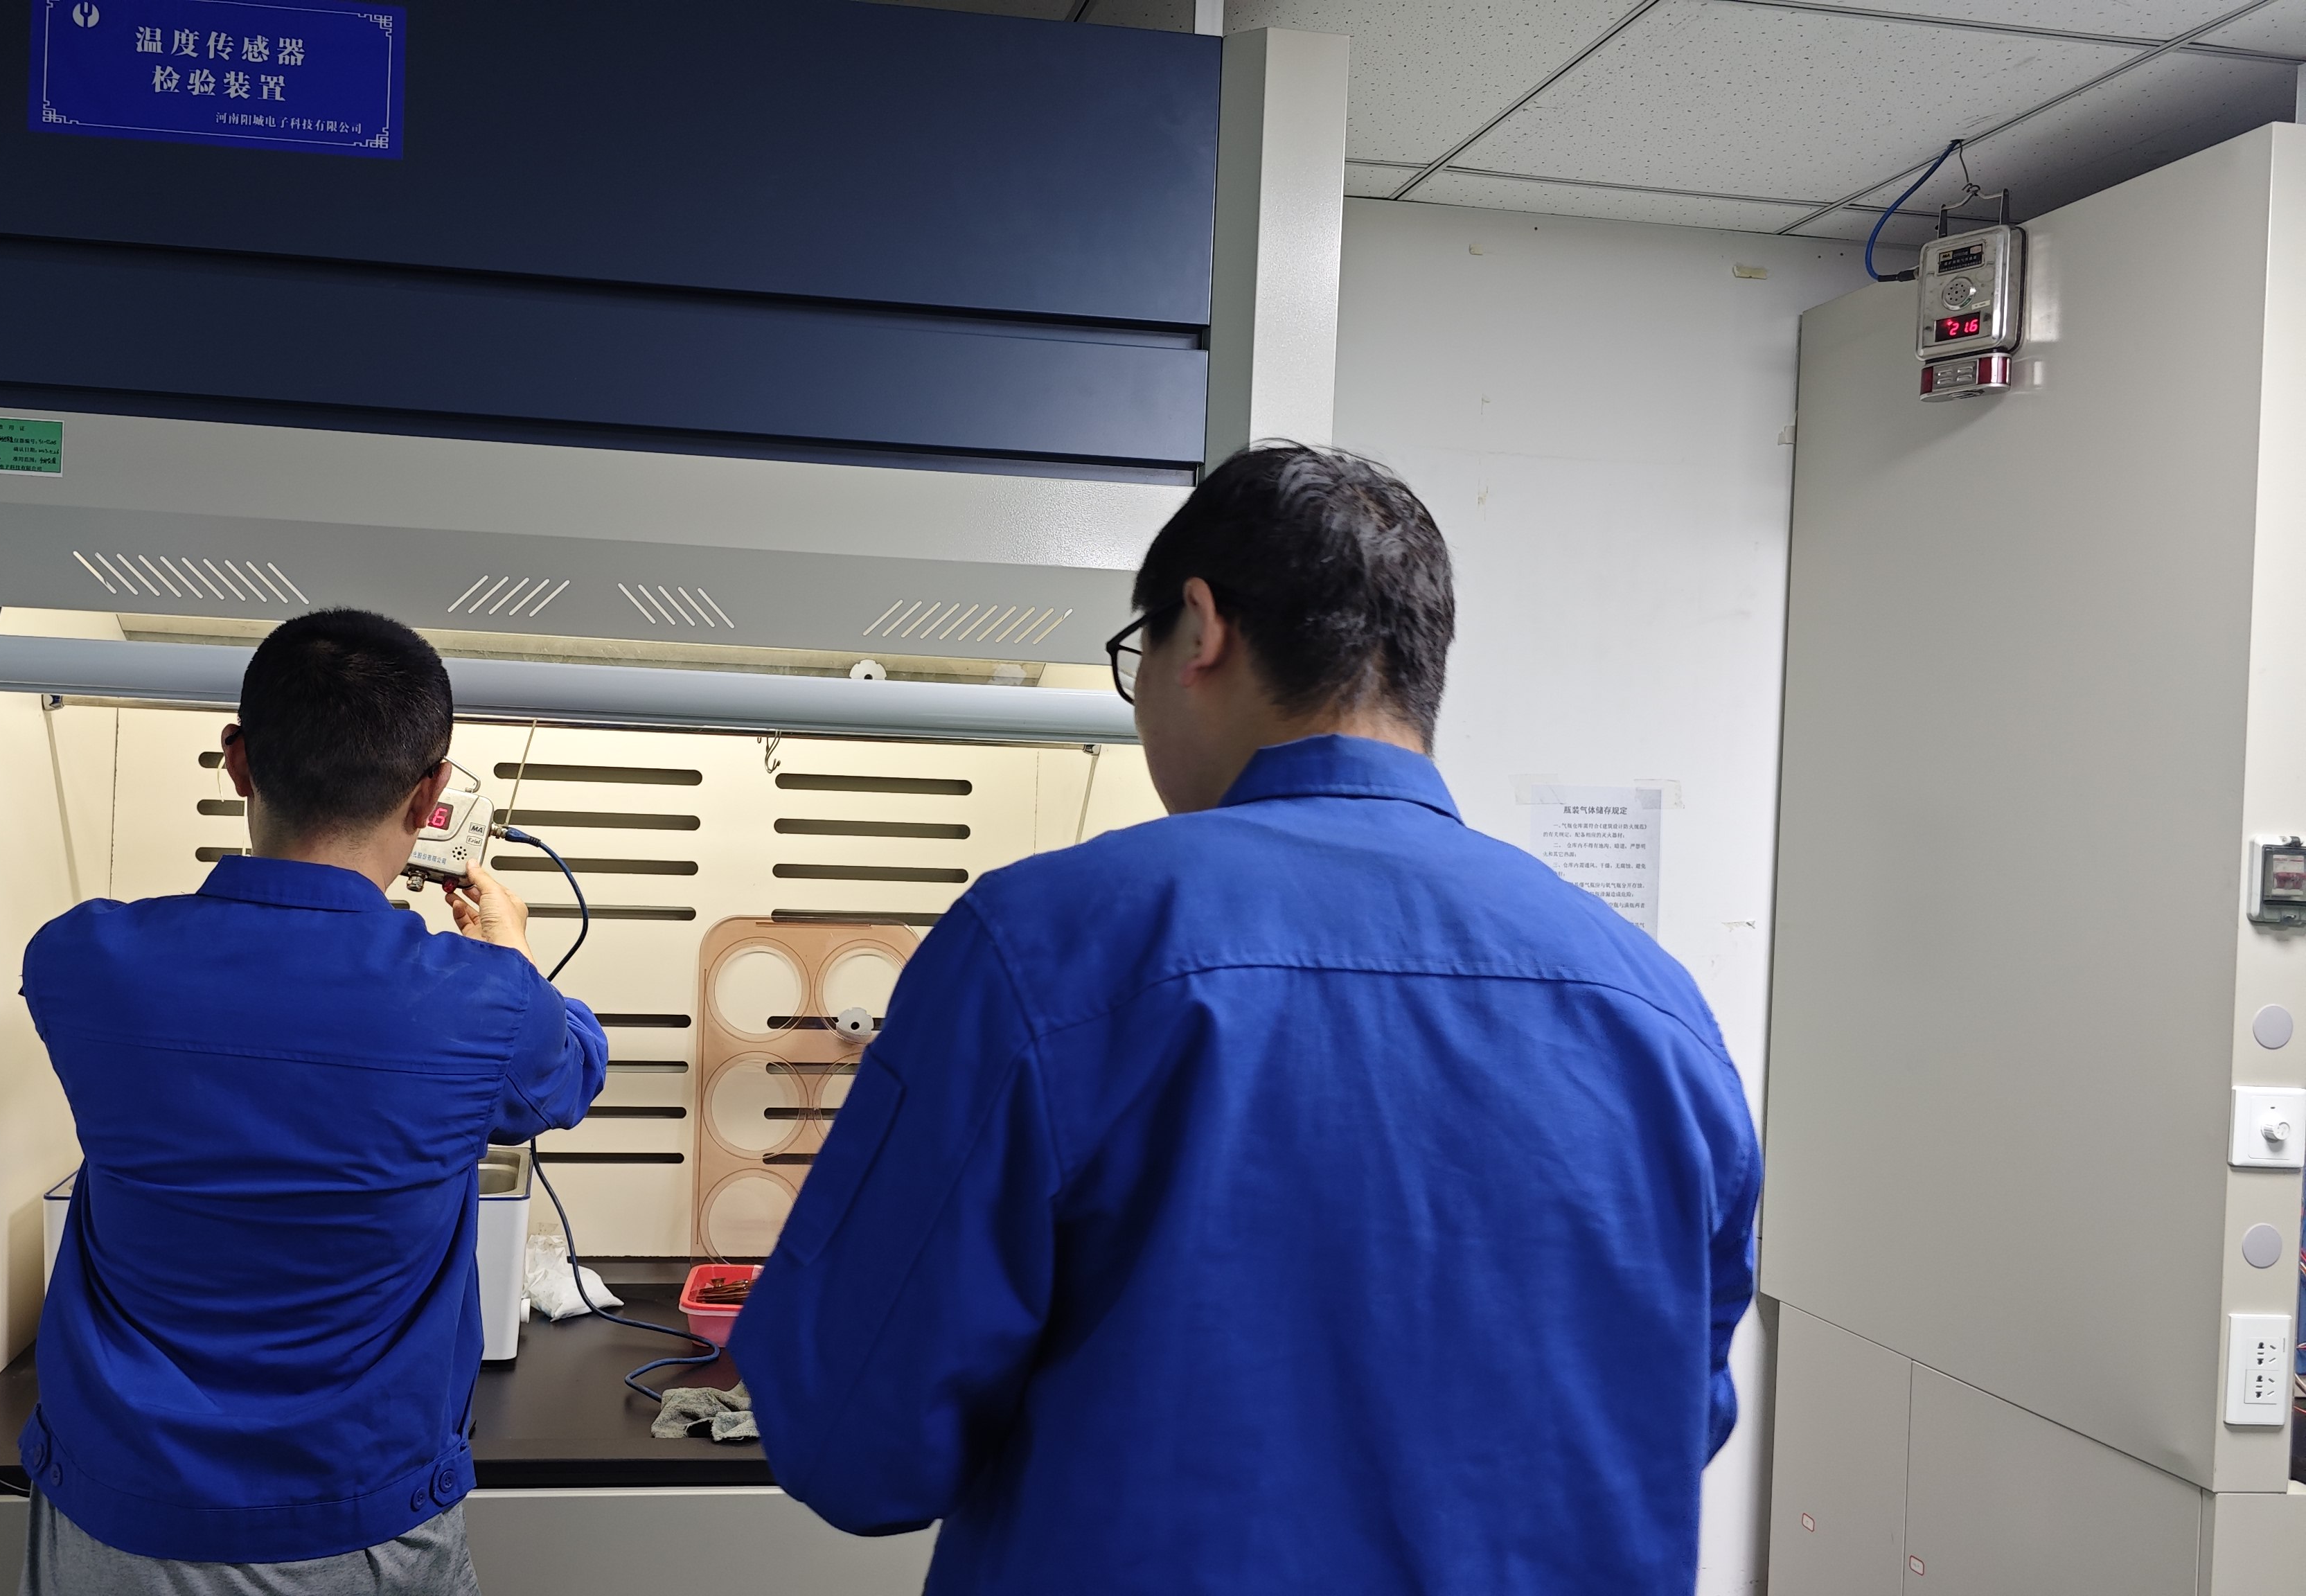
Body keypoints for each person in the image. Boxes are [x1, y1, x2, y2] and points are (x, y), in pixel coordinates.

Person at [732, 444, 1762, 1594]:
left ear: (1203, 629)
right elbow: (1674, 1418)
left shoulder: (1043, 948)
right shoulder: (1659, 1009)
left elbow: (855, 1443)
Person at [15, 609, 605, 1594]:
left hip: (119, 1517)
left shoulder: (81, 959)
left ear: (239, 762)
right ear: (430, 798)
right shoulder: (486, 1002)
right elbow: (568, 1076)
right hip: (363, 1523)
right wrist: (509, 953)